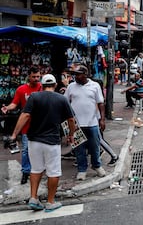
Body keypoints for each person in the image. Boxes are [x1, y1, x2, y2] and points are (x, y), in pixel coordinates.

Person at [10, 74, 75, 212]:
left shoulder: (34, 97)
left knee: (36, 169)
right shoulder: (61, 99)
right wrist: (71, 135)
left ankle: (33, 198)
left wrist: (15, 134)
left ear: (42, 85)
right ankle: (50, 202)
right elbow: (70, 119)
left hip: (34, 140)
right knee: (54, 171)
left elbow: (25, 115)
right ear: (55, 85)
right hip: (52, 141)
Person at [65, 65, 106, 181]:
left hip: (92, 122)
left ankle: (96, 165)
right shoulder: (71, 87)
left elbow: (101, 103)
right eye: (75, 74)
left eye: (78, 74)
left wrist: (102, 119)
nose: (76, 76)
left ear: (85, 74)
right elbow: (65, 102)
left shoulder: (95, 86)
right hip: (76, 124)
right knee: (79, 148)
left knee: (95, 146)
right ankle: (82, 170)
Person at [1, 66, 42, 184]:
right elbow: (14, 103)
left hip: (41, 124)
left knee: (39, 149)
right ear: (29, 76)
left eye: (38, 76)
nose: (36, 79)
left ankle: (37, 171)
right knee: (26, 150)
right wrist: (7, 108)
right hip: (26, 124)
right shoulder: (21, 89)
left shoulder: (42, 87)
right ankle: (25, 172)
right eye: (34, 77)